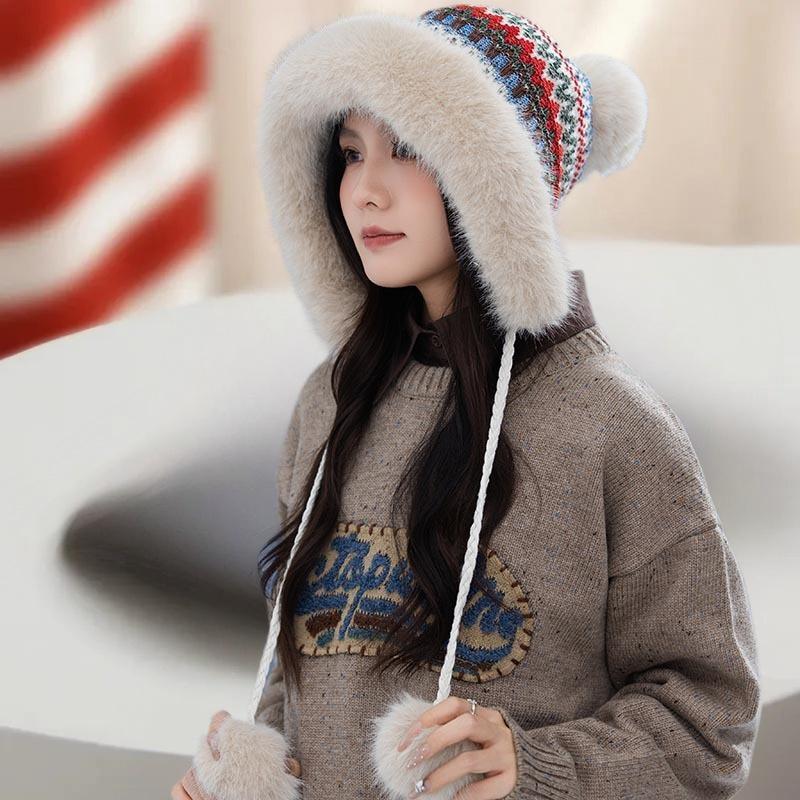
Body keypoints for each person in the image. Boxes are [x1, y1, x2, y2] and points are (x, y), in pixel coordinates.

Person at [173, 5, 761, 799]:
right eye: (351, 153)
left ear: (500, 179)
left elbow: (708, 723)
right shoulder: (330, 405)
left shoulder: (612, 427)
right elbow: (301, 678)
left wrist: (538, 767)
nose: (364, 191)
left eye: (408, 149)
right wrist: (248, 777)